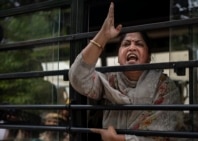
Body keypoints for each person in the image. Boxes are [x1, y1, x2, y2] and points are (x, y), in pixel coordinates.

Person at [68, 2, 185, 141]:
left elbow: (162, 135)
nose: (132, 48)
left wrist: (118, 139)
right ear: (118, 57)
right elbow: (77, 77)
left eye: (139, 44)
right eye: (126, 44)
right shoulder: (109, 81)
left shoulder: (165, 87)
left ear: (148, 57)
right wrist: (103, 36)